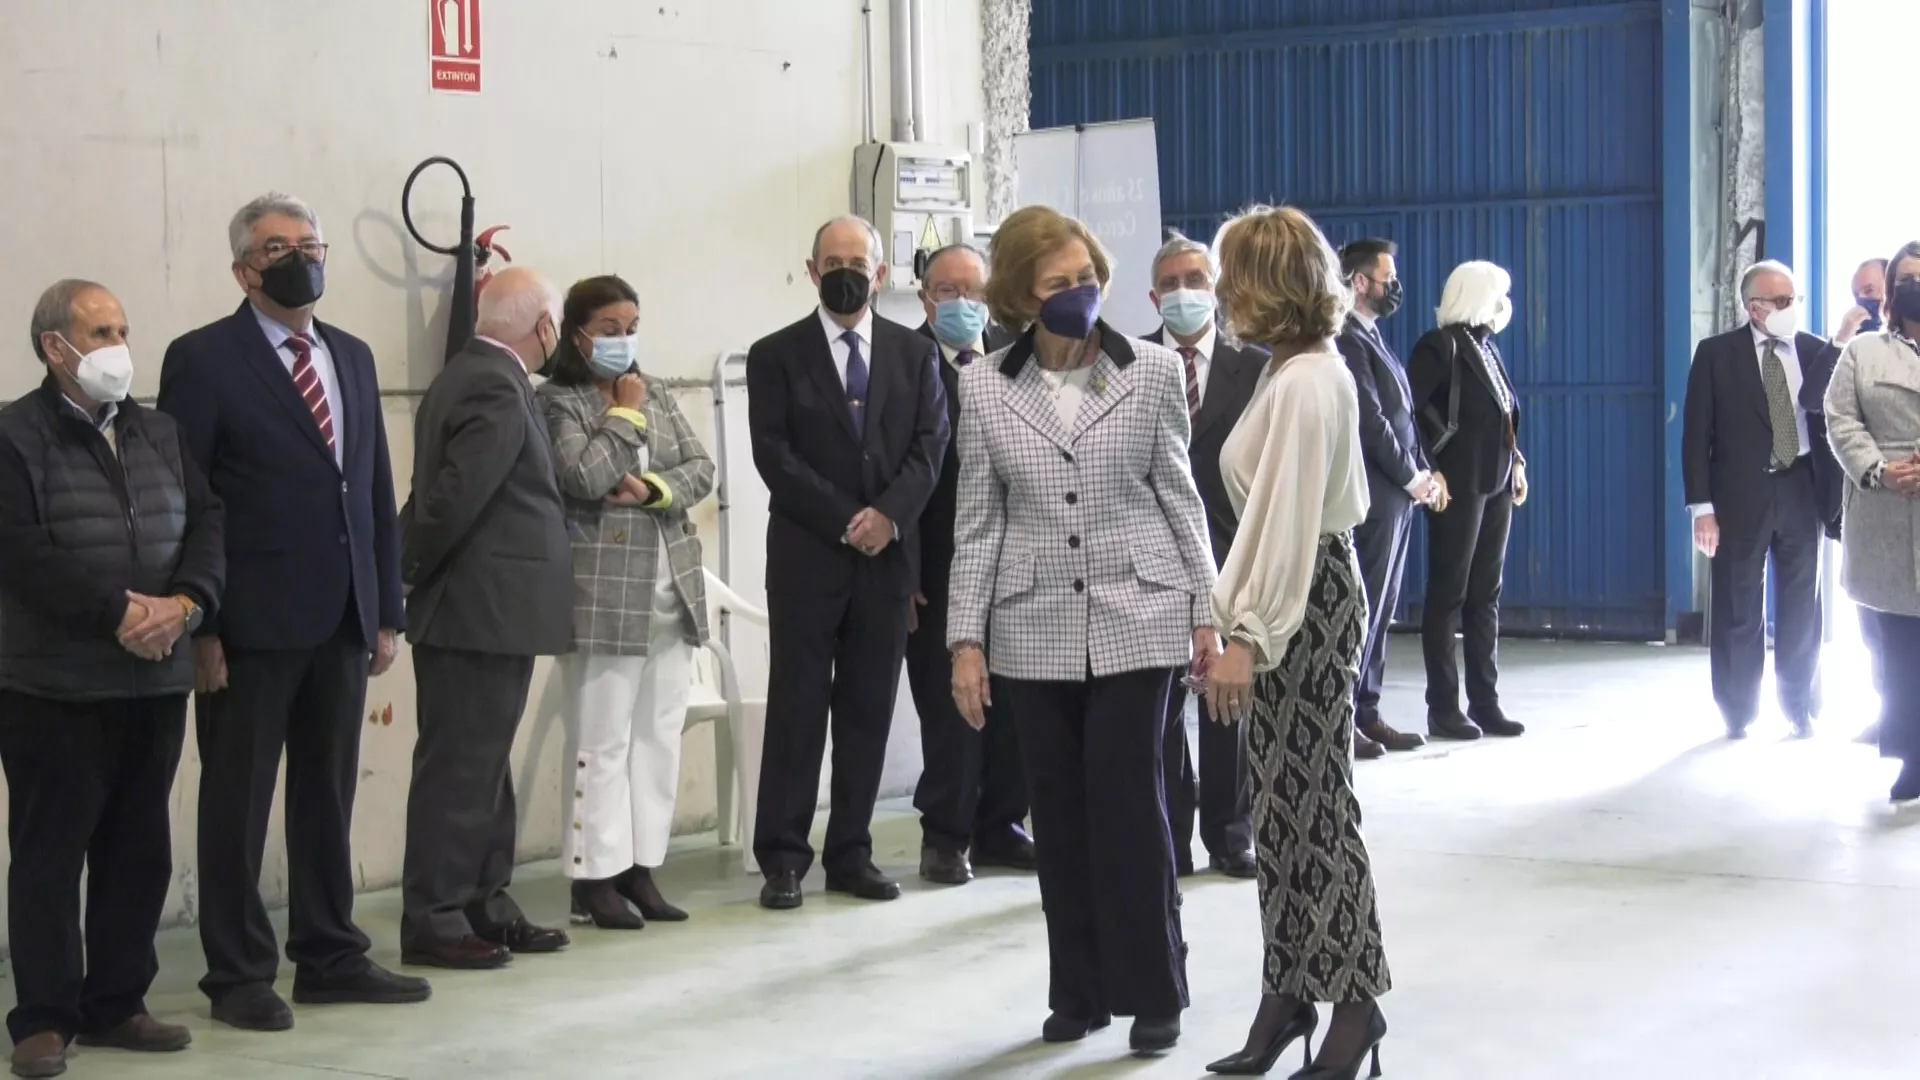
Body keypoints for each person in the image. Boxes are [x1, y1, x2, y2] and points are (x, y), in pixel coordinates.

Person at [947, 205, 1217, 1054]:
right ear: (1023, 298)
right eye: (1057, 284)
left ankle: (1154, 991)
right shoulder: (985, 383)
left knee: (1132, 806)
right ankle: (1081, 989)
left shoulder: (1151, 374)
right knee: (1058, 816)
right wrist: (966, 641)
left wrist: (1208, 612)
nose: (1077, 294)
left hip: (1140, 612)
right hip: (1032, 627)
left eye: (1087, 279)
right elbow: (977, 524)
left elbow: (1180, 496)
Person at [158, 192, 427, 1031]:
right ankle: (238, 974)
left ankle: (330, 953)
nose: (298, 257)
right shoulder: (203, 358)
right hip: (248, 624)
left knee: (327, 794)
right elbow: (184, 497)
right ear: (244, 268)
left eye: (309, 243)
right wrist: (202, 623)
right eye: (278, 246)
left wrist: (385, 608)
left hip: (343, 618)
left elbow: (373, 488)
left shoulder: (348, 353)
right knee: (237, 802)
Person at [0, 282, 223, 1078]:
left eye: (122, 328)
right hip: (54, 685)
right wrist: (119, 614)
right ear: (54, 347)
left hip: (153, 683)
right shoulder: (14, 436)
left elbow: (207, 521)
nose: (117, 345)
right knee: (50, 855)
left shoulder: (159, 431)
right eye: (100, 331)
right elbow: (20, 550)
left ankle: (118, 1003)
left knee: (139, 850)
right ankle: (45, 1019)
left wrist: (188, 603)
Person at [1201, 205, 1393, 1080]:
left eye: (1232, 276)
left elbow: (1283, 527)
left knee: (1315, 809)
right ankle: (1289, 991)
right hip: (1291, 601)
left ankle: (1354, 1008)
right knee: (1279, 814)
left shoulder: (1311, 379)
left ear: (1265, 286)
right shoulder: (1289, 368)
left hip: (1303, 606)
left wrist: (1248, 633)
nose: (1221, 292)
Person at [747, 215, 949, 909]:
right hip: (808, 560)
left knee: (869, 710)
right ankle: (782, 857)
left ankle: (851, 852)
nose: (844, 272)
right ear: (810, 271)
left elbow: (930, 449)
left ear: (881, 273)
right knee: (797, 709)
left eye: (856, 261)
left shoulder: (913, 357)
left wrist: (889, 517)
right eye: (831, 260)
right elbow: (775, 456)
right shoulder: (774, 355)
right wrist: (846, 520)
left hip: (887, 564)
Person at [399, 268, 575, 968]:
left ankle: (484, 901)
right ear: (542, 328)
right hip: (473, 608)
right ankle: (436, 917)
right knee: (459, 767)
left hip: (488, 610)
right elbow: (452, 498)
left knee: (483, 764)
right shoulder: (492, 384)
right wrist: (406, 572)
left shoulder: (479, 375)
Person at [538, 275, 715, 927]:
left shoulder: (659, 389)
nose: (623, 340)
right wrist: (625, 415)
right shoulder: (558, 401)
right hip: (603, 594)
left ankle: (642, 868)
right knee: (600, 739)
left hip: (672, 590)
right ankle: (593, 879)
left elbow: (700, 469)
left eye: (632, 327)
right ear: (577, 333)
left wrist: (651, 490)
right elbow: (582, 474)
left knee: (656, 739)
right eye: (609, 329)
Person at [905, 244, 1032, 886]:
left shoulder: (1019, 359)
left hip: (1020, 570)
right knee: (952, 707)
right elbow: (894, 477)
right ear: (925, 298)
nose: (960, 304)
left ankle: (1001, 825)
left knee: (1013, 707)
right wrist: (903, 576)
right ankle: (945, 835)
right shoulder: (905, 361)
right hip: (939, 572)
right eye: (945, 291)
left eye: (972, 291)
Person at [1144, 231, 1261, 879]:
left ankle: (1230, 831)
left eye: (1196, 279)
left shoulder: (1258, 364)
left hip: (1233, 557)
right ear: (1152, 294)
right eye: (1172, 282)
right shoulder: (1125, 361)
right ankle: (1172, 836)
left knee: (1226, 702)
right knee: (1159, 711)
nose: (1184, 292)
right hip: (1153, 562)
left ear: (1216, 289)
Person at [1682, 260, 1828, 739]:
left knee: (1802, 604)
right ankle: (1738, 710)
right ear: (1753, 307)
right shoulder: (1716, 354)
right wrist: (1702, 508)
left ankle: (1799, 704)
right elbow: (1695, 436)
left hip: (1801, 489)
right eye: (1781, 302)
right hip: (1739, 497)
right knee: (1738, 604)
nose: (1790, 309)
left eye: (1794, 300)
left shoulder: (1812, 351)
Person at [1407, 261, 1530, 742]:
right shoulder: (1439, 347)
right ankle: (1443, 707)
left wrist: (1517, 460)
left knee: (1486, 596)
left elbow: (1501, 413)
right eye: (1498, 295)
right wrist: (1430, 466)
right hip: (1457, 487)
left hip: (1495, 483)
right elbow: (1410, 409)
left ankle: (1486, 703)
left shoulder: (1486, 347)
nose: (1504, 305)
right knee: (1448, 595)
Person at [1823, 241, 1920, 800]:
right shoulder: (1863, 354)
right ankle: (1912, 754)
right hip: (1885, 509)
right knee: (1899, 646)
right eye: (1905, 278)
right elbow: (1841, 420)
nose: (1914, 287)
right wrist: (1881, 470)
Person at [1335, 238, 1438, 760]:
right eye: (1386, 277)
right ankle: (1345, 715)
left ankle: (1368, 711)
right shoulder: (1347, 339)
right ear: (1359, 282)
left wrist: (1420, 473)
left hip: (1399, 493)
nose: (1393, 286)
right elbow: (1372, 423)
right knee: (1364, 609)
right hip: (1377, 493)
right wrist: (1411, 475)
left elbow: (1403, 415)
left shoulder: (1373, 337)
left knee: (1384, 609)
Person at [1805, 256, 1888, 745]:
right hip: (1859, 504)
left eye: (1875, 291)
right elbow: (1813, 399)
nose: (1868, 301)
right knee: (1873, 620)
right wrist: (1842, 337)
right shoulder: (1850, 349)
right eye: (1860, 293)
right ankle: (1889, 713)